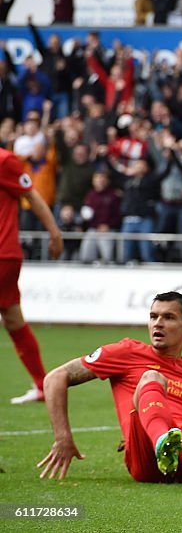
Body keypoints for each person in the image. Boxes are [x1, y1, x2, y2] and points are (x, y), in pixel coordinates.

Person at [36, 292, 182, 484]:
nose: (158, 324)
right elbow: (55, 378)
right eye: (153, 317)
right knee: (152, 377)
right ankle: (163, 443)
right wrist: (63, 438)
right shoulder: (127, 352)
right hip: (147, 459)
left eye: (168, 317)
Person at [2, 146, 63, 403]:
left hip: (2, 252)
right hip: (6, 255)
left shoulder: (5, 161)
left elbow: (33, 196)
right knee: (14, 319)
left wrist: (55, 233)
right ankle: (42, 385)